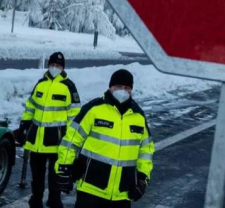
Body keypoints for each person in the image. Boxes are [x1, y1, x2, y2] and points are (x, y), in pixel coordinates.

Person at [55, 69, 154, 208]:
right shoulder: (94, 109)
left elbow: (146, 151)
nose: (123, 91)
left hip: (122, 194)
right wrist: (64, 168)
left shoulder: (138, 116)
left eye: (127, 88)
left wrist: (143, 178)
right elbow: (71, 140)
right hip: (90, 190)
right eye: (118, 87)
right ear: (110, 87)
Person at [18, 52, 81, 208]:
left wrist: (70, 138)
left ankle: (54, 200)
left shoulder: (69, 87)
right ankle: (36, 199)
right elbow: (31, 106)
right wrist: (24, 124)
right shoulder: (40, 84)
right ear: (49, 65)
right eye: (53, 65)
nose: (55, 68)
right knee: (37, 175)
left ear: (63, 68)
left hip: (57, 141)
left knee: (55, 175)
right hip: (36, 141)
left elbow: (75, 115)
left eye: (58, 66)